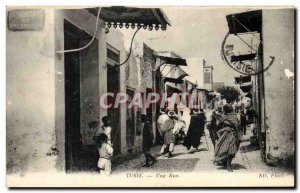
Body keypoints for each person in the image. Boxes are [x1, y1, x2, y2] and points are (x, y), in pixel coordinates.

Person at [214, 104, 241, 172]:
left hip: (232, 134)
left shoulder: (233, 116)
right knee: (223, 148)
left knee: (231, 149)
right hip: (225, 133)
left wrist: (238, 135)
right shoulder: (225, 116)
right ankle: (225, 163)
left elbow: (237, 126)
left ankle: (228, 165)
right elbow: (219, 124)